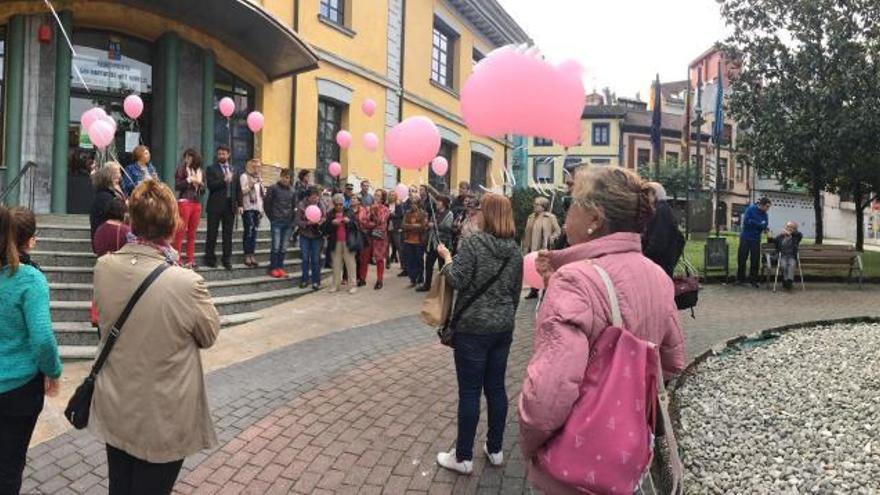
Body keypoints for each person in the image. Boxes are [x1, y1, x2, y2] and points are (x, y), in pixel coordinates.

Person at [518, 166, 686, 494]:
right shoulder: (658, 276)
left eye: (571, 204)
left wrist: (529, 447)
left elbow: (546, 401)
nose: (566, 215)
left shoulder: (575, 281)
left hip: (574, 471)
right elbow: (673, 362)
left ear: (594, 218)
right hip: (629, 454)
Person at [90, 180, 220, 494]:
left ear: (131, 221)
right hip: (161, 415)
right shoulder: (186, 283)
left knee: (119, 487)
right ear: (174, 226)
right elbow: (209, 333)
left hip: (116, 404)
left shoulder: (104, 267)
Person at [434, 193, 524, 474]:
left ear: (488, 215)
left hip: (473, 329)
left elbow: (457, 279)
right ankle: (495, 449)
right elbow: (515, 292)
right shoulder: (515, 251)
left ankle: (463, 458)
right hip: (502, 327)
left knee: (470, 391)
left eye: (481, 210)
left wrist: (447, 257)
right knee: (496, 388)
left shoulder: (474, 245)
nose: (478, 214)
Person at [0, 206, 62, 494]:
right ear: (29, 239)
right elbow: (42, 338)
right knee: (10, 468)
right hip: (19, 387)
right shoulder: (30, 279)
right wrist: (53, 370)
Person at [205, 145, 240, 270]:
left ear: (228, 155)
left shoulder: (233, 169)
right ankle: (210, 259)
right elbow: (211, 186)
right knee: (212, 233)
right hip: (215, 206)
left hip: (229, 206)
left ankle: (227, 259)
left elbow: (238, 188)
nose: (221, 156)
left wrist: (239, 204)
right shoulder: (211, 168)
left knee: (228, 235)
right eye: (219, 154)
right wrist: (224, 180)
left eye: (224, 154)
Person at [642, 182, 685, 278]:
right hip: (663, 265)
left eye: (646, 194)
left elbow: (658, 243)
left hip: (658, 266)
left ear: (654, 195)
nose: (644, 198)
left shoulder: (661, 210)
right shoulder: (663, 209)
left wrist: (644, 258)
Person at [522, 196, 561, 298]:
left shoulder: (550, 217)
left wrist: (552, 237)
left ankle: (545, 291)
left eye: (537, 204)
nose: (534, 206)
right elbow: (527, 233)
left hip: (544, 247)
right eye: (534, 204)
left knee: (544, 269)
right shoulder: (530, 217)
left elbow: (558, 231)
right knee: (533, 268)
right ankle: (533, 290)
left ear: (543, 206)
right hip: (532, 247)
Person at [173, 149, 205, 269]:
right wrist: (189, 180)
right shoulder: (182, 169)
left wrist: (200, 185)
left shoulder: (200, 172)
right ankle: (177, 258)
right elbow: (177, 186)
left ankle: (190, 259)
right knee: (180, 231)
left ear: (195, 158)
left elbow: (203, 190)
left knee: (192, 233)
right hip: (184, 202)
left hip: (196, 203)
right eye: (185, 157)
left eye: (189, 157)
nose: (187, 159)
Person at [264, 169, 297, 278]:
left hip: (288, 223)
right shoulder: (273, 188)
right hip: (276, 221)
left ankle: (280, 268)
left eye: (288, 177)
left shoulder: (293, 191)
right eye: (285, 177)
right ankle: (273, 268)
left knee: (283, 247)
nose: (286, 179)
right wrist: (272, 218)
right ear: (281, 176)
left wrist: (293, 221)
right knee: (276, 246)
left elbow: (294, 206)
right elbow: (267, 204)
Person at [419, 195, 455, 292]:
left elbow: (448, 227)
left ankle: (443, 287)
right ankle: (427, 284)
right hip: (432, 242)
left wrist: (434, 225)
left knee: (442, 266)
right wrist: (427, 224)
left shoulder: (449, 214)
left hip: (442, 243)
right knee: (428, 264)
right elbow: (429, 224)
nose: (436, 203)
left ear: (444, 203)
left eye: (439, 202)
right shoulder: (435, 213)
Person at [326, 193, 359, 294]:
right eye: (337, 204)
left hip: (348, 242)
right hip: (335, 242)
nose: (339, 206)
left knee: (350, 264)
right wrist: (332, 223)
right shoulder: (330, 213)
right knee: (336, 264)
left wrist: (349, 221)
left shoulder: (349, 212)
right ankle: (335, 285)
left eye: (341, 204)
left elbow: (356, 225)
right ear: (334, 204)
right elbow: (325, 229)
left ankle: (353, 285)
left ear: (344, 203)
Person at [90, 162, 126, 250]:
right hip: (107, 236)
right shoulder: (104, 196)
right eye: (117, 172)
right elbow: (115, 212)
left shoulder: (112, 192)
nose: (120, 176)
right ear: (111, 175)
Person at [737, 197, 772, 287]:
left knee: (755, 260)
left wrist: (755, 223)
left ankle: (753, 280)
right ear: (761, 205)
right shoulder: (750, 209)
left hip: (756, 239)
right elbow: (746, 222)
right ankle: (740, 279)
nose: (768, 209)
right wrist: (759, 224)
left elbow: (765, 225)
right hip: (746, 237)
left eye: (769, 207)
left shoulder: (765, 214)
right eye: (767, 206)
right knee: (742, 258)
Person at [296, 187, 325, 290]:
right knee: (304, 258)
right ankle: (304, 280)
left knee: (316, 259)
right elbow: (298, 221)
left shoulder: (321, 204)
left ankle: (316, 281)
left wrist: (320, 221)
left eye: (316, 197)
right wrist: (307, 223)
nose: (315, 200)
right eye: (313, 198)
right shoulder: (301, 205)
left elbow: (324, 217)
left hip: (317, 236)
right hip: (305, 235)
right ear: (308, 198)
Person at [362, 189, 391, 289]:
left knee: (379, 259)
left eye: (378, 195)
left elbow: (381, 220)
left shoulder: (386, 209)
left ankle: (379, 280)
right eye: (375, 194)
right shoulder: (369, 207)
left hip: (379, 236)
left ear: (383, 198)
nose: (376, 197)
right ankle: (362, 278)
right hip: (369, 235)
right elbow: (364, 221)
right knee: (365, 257)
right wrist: (371, 223)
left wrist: (375, 211)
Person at [240, 159, 265, 268]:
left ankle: (252, 254)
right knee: (248, 232)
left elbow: (262, 195)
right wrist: (251, 184)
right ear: (250, 167)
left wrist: (262, 209)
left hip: (257, 208)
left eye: (259, 167)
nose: (257, 169)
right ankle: (247, 255)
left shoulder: (259, 178)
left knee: (254, 232)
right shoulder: (244, 176)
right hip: (248, 207)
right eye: (255, 167)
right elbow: (243, 191)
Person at [402, 199, 428, 287]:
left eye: (414, 204)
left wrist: (411, 226)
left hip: (419, 241)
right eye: (411, 204)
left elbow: (423, 227)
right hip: (408, 240)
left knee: (419, 260)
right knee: (409, 260)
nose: (413, 205)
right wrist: (414, 226)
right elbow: (403, 225)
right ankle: (412, 279)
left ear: (418, 204)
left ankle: (420, 278)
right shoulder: (407, 213)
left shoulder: (424, 214)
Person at [775, 221, 803, 290]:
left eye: (792, 227)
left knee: (792, 264)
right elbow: (773, 241)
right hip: (782, 256)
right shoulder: (780, 236)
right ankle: (785, 280)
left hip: (791, 256)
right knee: (783, 265)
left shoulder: (796, 236)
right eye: (788, 226)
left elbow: (800, 235)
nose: (789, 228)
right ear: (785, 227)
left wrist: (791, 233)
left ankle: (789, 281)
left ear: (795, 229)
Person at [351, 195, 371, 286]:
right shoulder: (348, 210)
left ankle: (361, 278)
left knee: (361, 258)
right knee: (352, 257)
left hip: (361, 235)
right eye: (352, 198)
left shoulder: (363, 210)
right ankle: (353, 277)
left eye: (355, 198)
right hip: (351, 235)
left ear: (359, 201)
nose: (353, 200)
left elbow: (364, 221)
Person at [387, 191, 403, 266]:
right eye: (390, 195)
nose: (391, 196)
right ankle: (387, 262)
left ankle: (403, 264)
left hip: (396, 227)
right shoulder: (386, 204)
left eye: (393, 195)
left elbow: (401, 215)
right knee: (386, 245)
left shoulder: (398, 205)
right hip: (387, 227)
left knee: (398, 245)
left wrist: (392, 214)